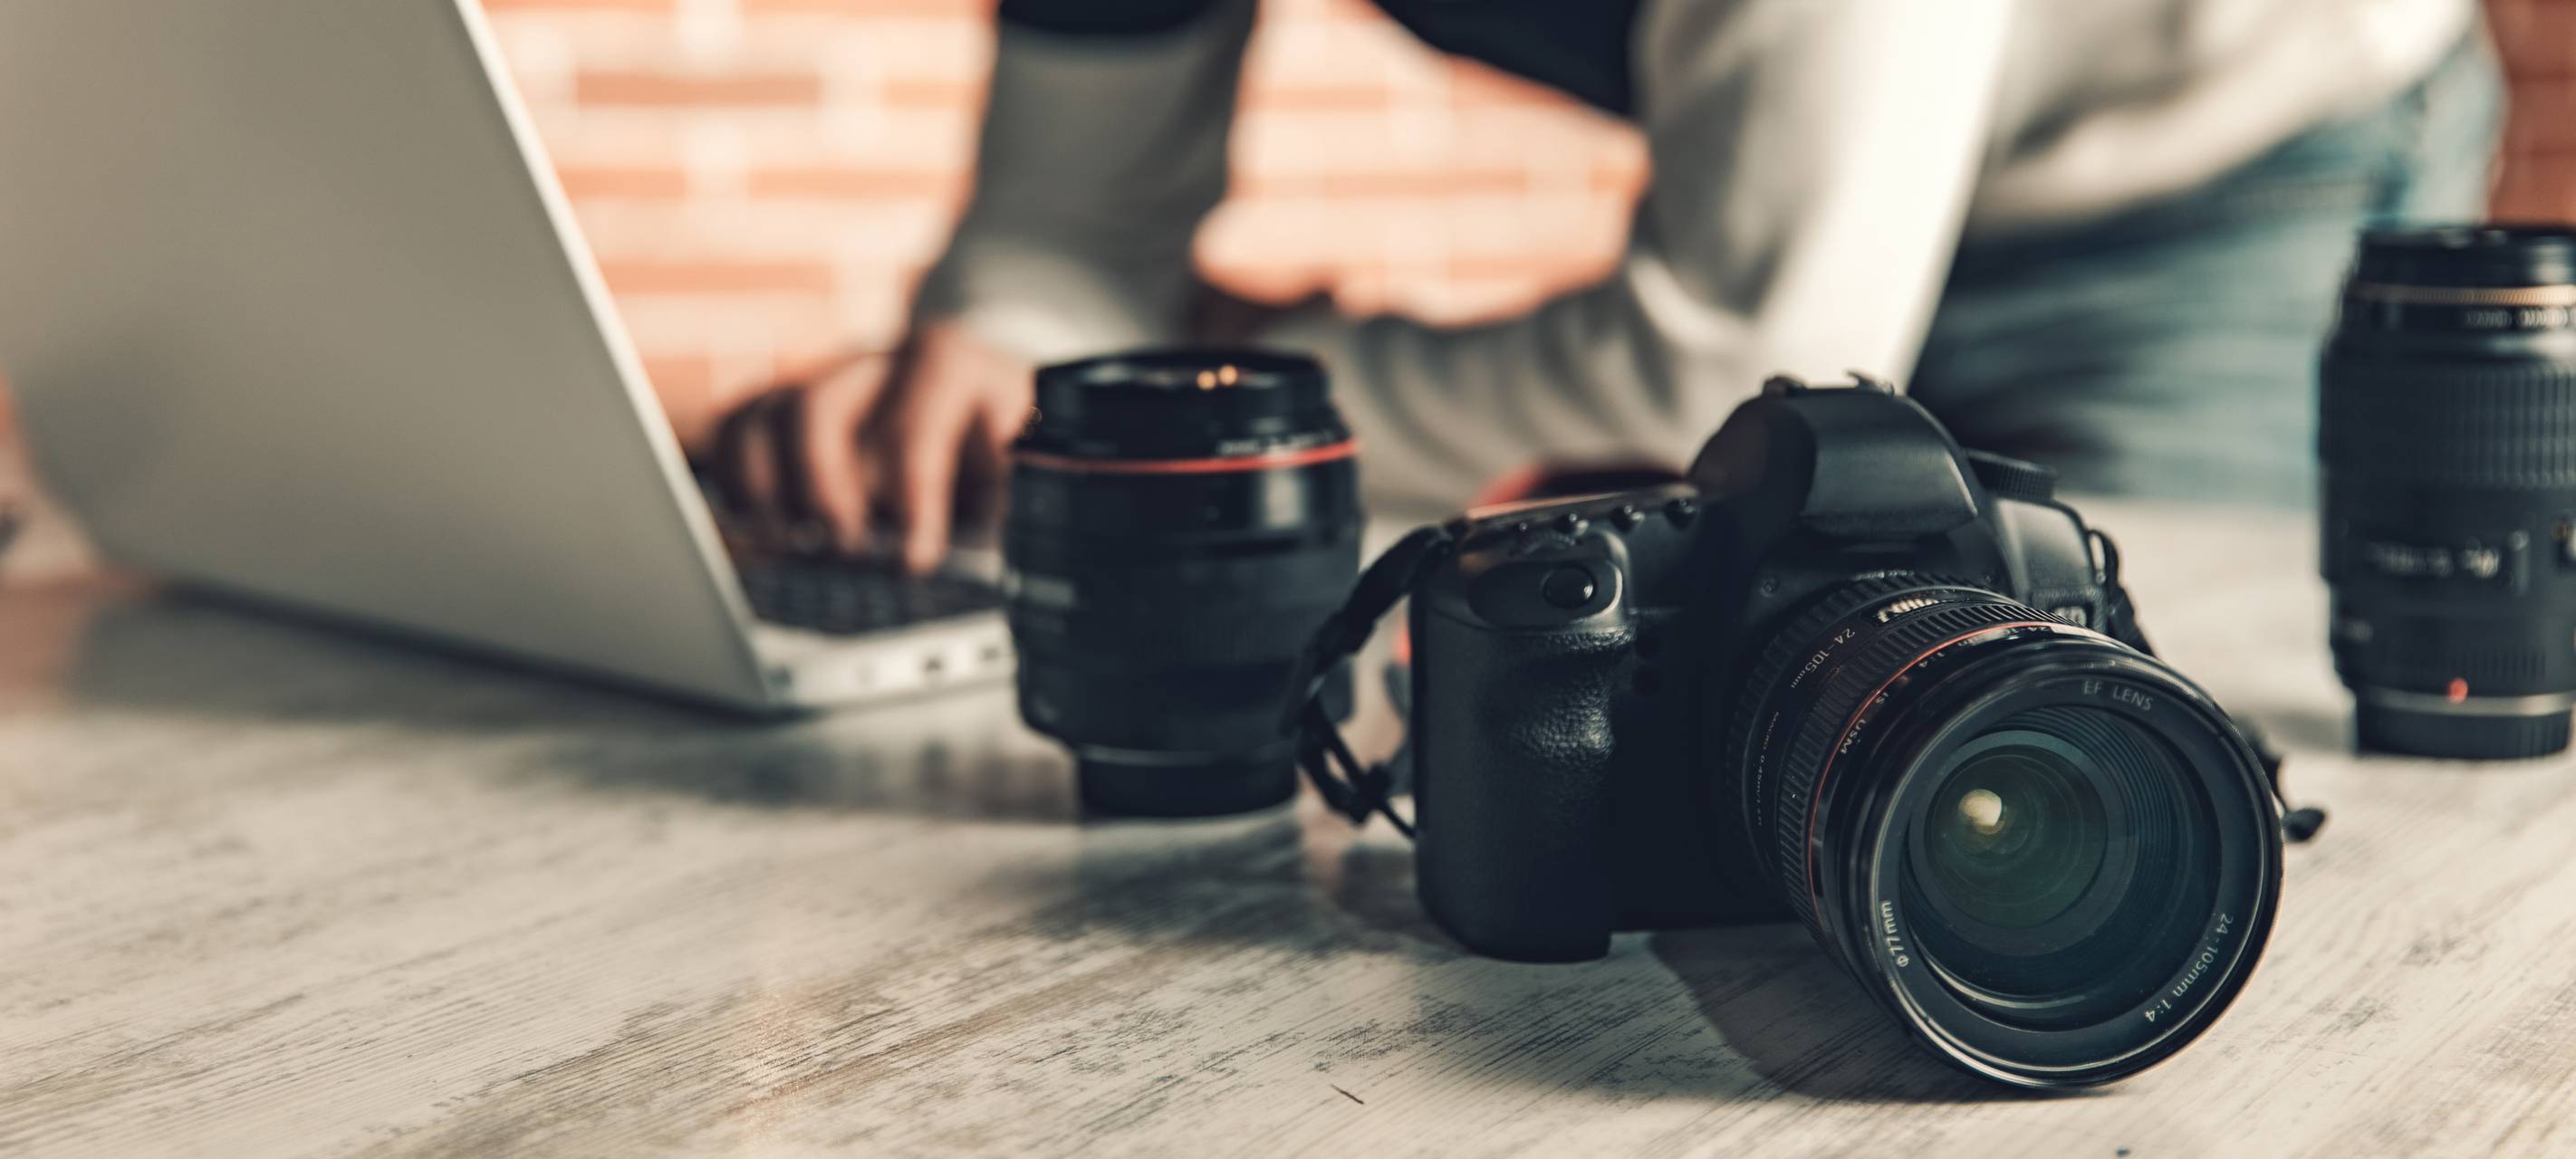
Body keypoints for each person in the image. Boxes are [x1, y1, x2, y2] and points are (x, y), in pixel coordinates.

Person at [700, 0, 2501, 571]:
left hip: (2210, 176)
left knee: (2144, 774)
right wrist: (1003, 363)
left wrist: (1218, 393)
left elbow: (1739, 352)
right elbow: (1064, 244)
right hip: (1816, 224)